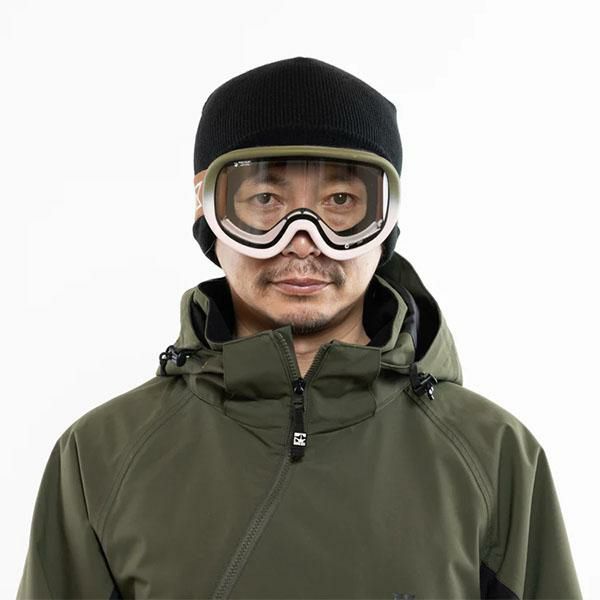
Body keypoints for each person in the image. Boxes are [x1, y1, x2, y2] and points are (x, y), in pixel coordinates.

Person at [16, 56, 582, 600]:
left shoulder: (494, 454)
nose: (304, 239)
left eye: (341, 201)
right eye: (266, 199)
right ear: (208, 214)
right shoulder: (100, 455)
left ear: (385, 224)